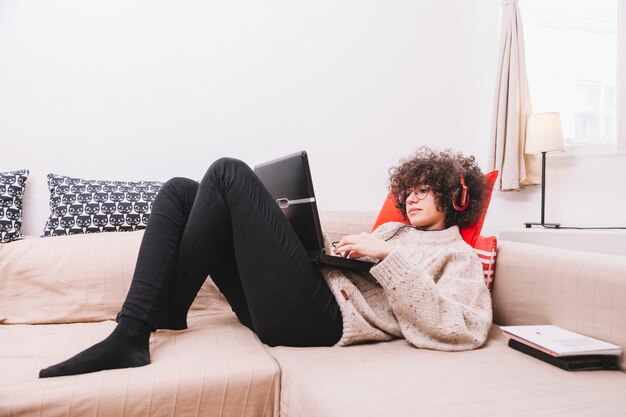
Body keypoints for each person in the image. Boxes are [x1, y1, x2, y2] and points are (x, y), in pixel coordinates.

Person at [39, 147, 493, 378]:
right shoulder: (392, 231)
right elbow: (356, 275)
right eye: (408, 189)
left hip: (324, 322)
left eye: (425, 188)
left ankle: (148, 321)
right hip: (294, 299)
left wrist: (389, 257)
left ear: (456, 198)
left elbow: (465, 328)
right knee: (180, 189)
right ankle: (142, 325)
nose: (412, 196)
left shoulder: (458, 255)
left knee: (227, 171)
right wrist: (322, 246)